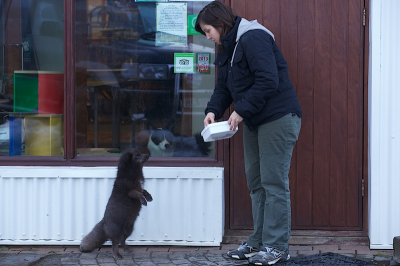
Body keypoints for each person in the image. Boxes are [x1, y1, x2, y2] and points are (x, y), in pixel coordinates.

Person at [195, 2, 302, 265]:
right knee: (256, 183)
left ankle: (277, 247)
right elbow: (223, 87)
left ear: (221, 23)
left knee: (274, 183)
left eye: (208, 30)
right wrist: (213, 111)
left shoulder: (254, 37)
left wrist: (240, 111)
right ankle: (258, 243)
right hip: (255, 120)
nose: (207, 37)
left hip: (278, 118)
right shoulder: (227, 47)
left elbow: (268, 79)